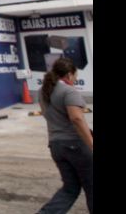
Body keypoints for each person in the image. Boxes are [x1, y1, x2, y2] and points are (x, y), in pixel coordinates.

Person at [37, 57, 93, 213]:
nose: (76, 79)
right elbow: (76, 118)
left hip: (56, 146)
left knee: (71, 188)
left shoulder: (44, 91)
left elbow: (45, 115)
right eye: (75, 76)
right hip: (75, 145)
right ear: (69, 74)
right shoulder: (69, 91)